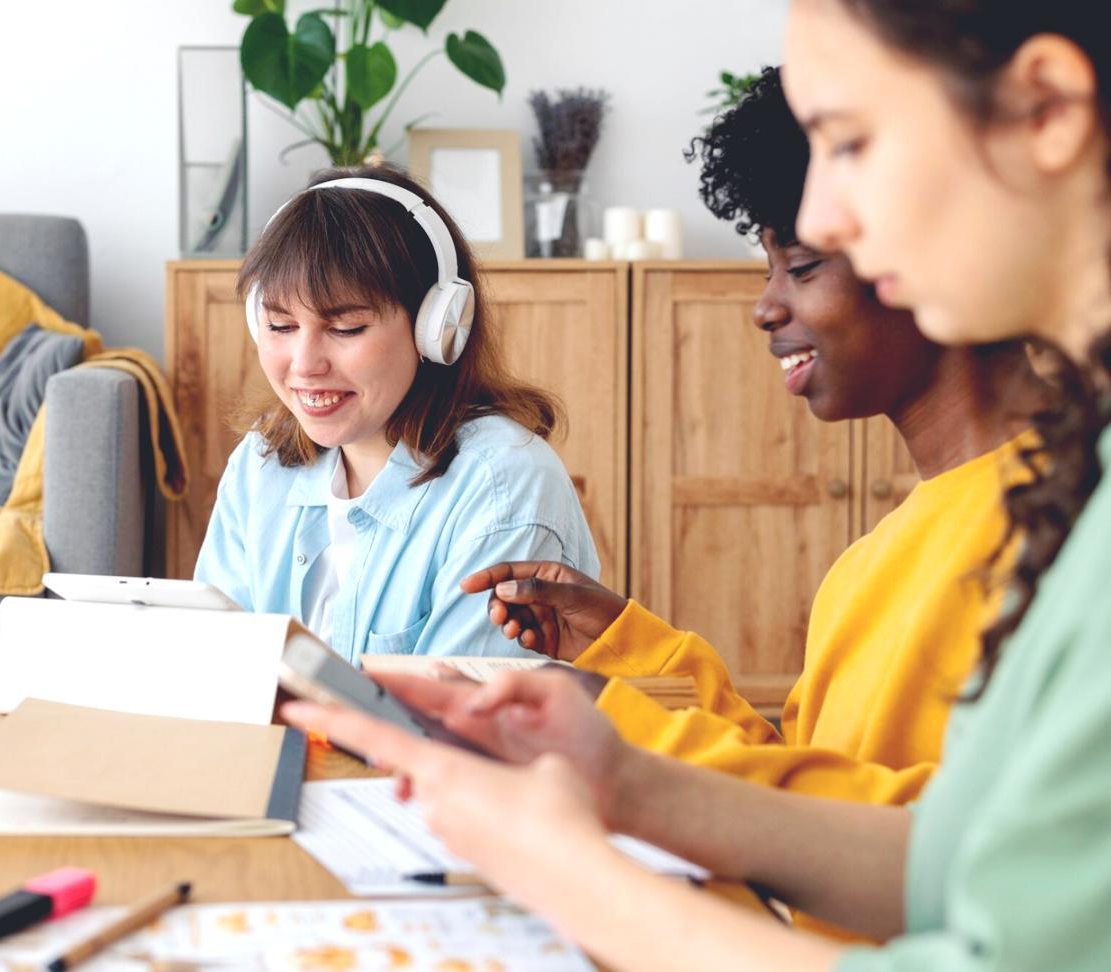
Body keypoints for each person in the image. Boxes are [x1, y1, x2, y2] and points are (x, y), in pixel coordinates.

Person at [283, 2, 1111, 969]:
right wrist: (613, 766)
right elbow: (956, 855)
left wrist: (567, 868)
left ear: (1047, 109)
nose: (835, 212)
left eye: (851, 141)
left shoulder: (1044, 527)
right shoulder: (976, 529)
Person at [460, 68, 1042, 849]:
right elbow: (794, 782)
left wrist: (615, 730)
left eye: (800, 267)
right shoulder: (870, 563)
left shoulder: (1060, 534)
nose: (765, 306)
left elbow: (955, 851)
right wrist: (622, 646)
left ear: (926, 256)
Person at [195, 166, 599, 663]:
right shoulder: (259, 465)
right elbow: (213, 666)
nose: (304, 364)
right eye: (280, 325)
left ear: (439, 326)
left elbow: (460, 727)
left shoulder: (503, 487)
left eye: (346, 328)